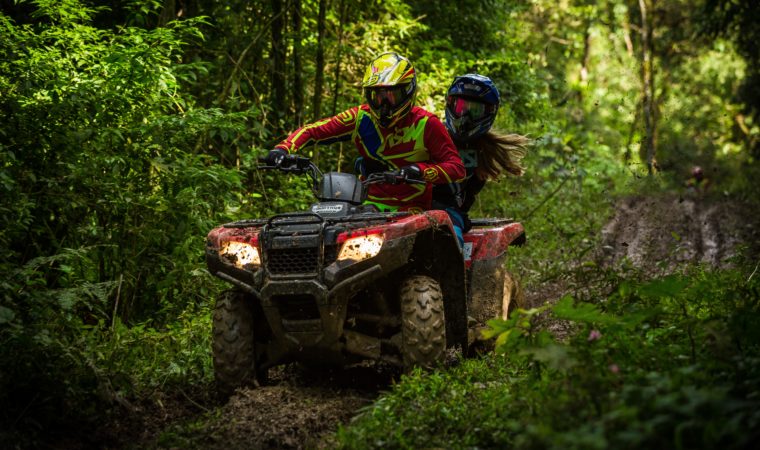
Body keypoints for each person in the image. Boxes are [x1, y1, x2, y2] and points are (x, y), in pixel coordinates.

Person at [265, 52, 465, 213]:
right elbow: (312, 131)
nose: (384, 104)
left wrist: (419, 171)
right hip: (366, 205)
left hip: (411, 210)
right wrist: (282, 150)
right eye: (377, 96)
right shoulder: (360, 117)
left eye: (391, 96)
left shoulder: (426, 123)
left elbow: (456, 167)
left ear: (407, 91)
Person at [432, 74, 529, 246]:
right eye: (461, 107)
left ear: (489, 112)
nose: (466, 116)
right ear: (450, 104)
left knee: (451, 244)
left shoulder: (484, 150)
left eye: (474, 110)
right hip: (412, 208)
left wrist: (460, 213)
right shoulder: (431, 134)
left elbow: (469, 193)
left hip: (448, 216)